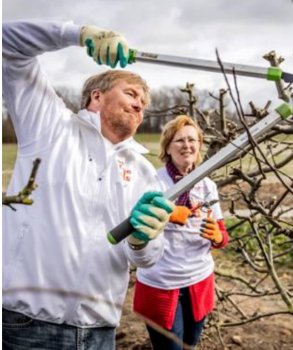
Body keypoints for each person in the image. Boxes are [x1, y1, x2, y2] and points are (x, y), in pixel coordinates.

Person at [2, 21, 175, 349]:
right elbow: (8, 44)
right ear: (97, 96)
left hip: (99, 331)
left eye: (144, 102)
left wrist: (143, 240)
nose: (141, 104)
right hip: (26, 326)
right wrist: (78, 34)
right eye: (131, 93)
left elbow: (146, 258)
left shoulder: (142, 169)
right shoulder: (50, 126)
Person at [133, 115, 230, 349]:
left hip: (199, 281)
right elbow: (136, 225)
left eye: (192, 140)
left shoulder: (207, 185)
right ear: (167, 146)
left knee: (190, 344)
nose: (187, 145)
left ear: (199, 145)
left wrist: (216, 237)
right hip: (161, 283)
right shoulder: (154, 181)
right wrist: (168, 213)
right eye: (179, 141)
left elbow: (222, 235)